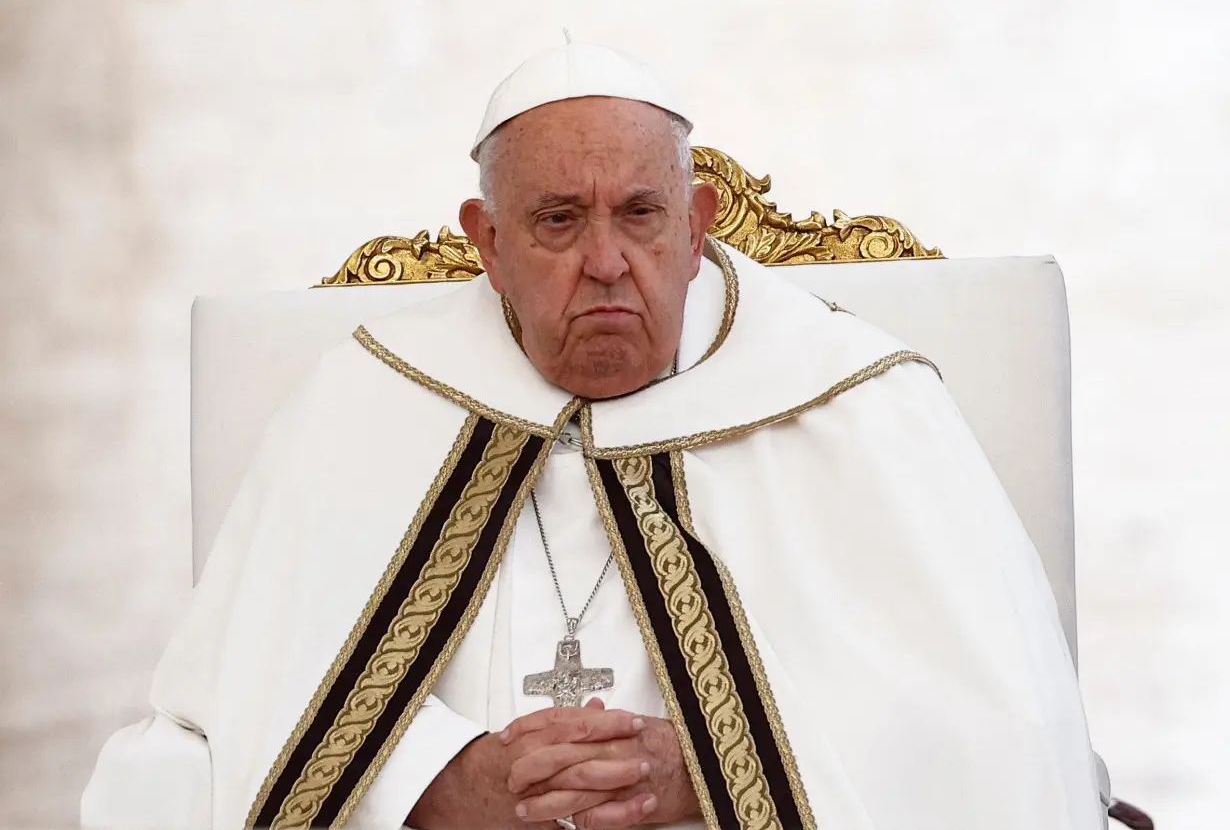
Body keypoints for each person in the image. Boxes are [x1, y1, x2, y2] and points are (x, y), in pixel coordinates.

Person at [82, 43, 1103, 830]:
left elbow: (994, 733)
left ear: (699, 224)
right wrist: (427, 777)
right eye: (560, 220)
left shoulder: (859, 402)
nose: (608, 261)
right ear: (486, 242)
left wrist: (711, 770)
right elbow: (216, 718)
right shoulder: (362, 404)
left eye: (643, 214)